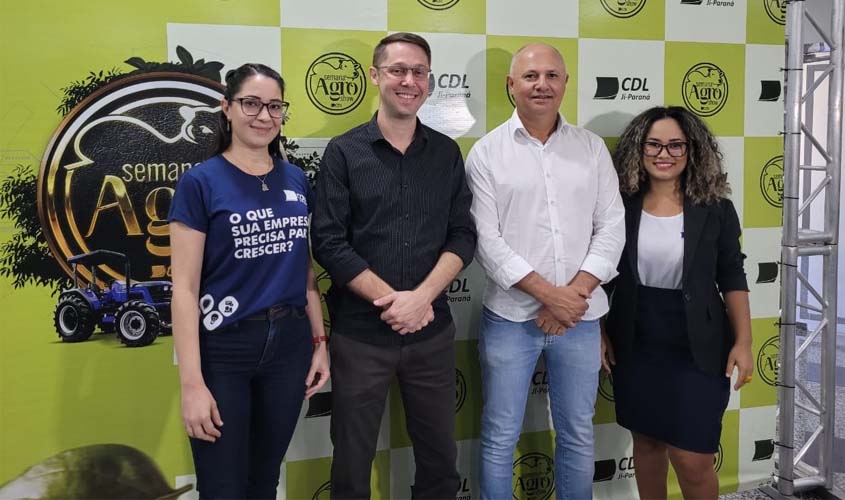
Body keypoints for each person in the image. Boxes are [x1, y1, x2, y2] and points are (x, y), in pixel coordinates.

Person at [311, 32, 477, 500]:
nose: (409, 80)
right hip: (361, 333)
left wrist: (420, 299)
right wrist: (394, 302)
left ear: (429, 80)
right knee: (351, 462)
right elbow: (328, 242)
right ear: (375, 75)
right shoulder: (344, 152)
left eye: (418, 72)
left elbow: (463, 235)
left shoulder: (446, 153)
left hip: (431, 330)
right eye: (398, 70)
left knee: (440, 461)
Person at [466, 43, 625, 500]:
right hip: (511, 318)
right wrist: (549, 295)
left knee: (577, 433)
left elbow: (612, 225)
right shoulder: (486, 153)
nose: (542, 84)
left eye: (552, 75)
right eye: (531, 76)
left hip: (580, 318)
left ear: (565, 84)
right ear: (510, 85)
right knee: (499, 435)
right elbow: (486, 240)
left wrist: (572, 295)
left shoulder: (591, 149)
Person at [168, 63, 329, 499]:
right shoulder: (200, 183)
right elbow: (183, 289)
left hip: (289, 346)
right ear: (227, 108)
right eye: (251, 103)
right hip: (224, 348)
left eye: (274, 106)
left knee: (264, 481)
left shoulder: (295, 178)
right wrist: (192, 384)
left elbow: (304, 268)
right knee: (222, 486)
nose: (264, 116)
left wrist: (320, 343)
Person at [604, 105, 752, 500]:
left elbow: (733, 276)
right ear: (639, 149)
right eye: (653, 144)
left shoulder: (715, 207)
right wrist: (599, 332)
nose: (663, 154)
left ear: (692, 151)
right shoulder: (619, 204)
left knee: (692, 458)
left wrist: (744, 342)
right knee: (648, 445)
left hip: (699, 344)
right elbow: (601, 272)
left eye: (675, 145)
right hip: (636, 338)